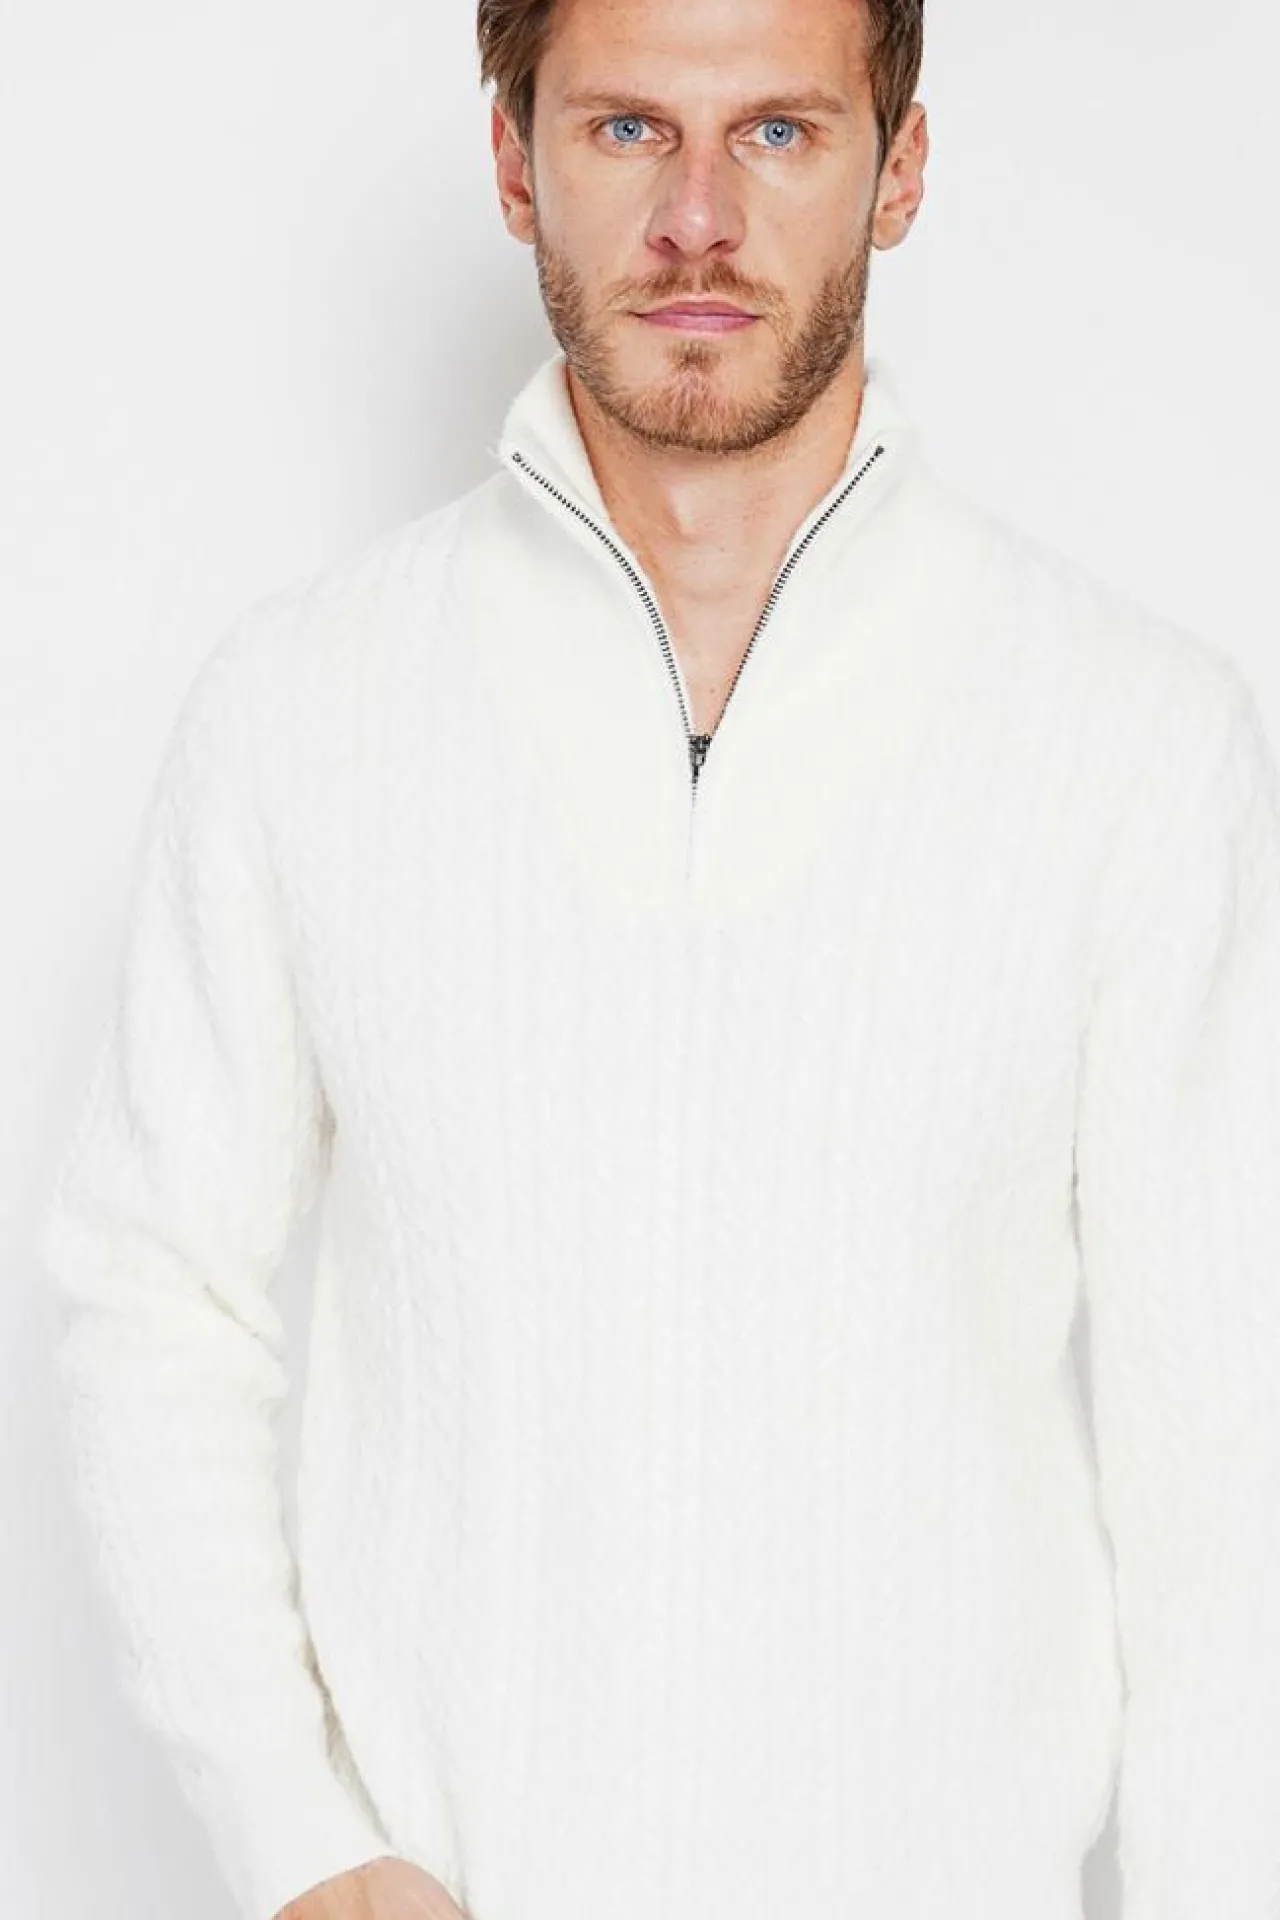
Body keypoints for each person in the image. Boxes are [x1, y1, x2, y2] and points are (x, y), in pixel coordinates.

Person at [35, 0, 1280, 1917]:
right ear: (515, 160)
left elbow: (1226, 1472)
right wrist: (298, 1843)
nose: (700, 216)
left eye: (779, 132)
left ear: (901, 168)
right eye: (629, 129)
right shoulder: (301, 712)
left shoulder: (1132, 744)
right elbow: (152, 1290)